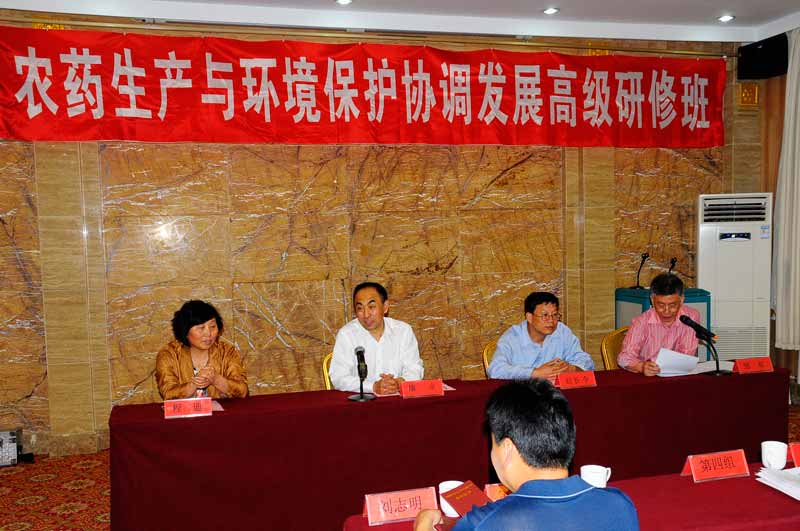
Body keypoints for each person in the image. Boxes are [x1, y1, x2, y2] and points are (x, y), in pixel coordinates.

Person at [414, 379, 639, 531]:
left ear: (507, 449)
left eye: (492, 442)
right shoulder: (620, 504)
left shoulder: (487, 523)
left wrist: (423, 526)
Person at [329, 282, 423, 394]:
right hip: (362, 401)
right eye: (360, 308)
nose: (366, 314)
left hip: (398, 400)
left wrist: (398, 383)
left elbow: (415, 369)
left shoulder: (403, 331)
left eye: (371, 307)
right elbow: (338, 377)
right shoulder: (347, 334)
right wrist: (372, 387)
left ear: (385, 307)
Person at [487, 292, 593, 379]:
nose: (551, 320)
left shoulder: (562, 331)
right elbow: (495, 370)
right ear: (529, 317)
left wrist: (571, 369)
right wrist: (535, 373)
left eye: (555, 315)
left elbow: (586, 361)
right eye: (545, 315)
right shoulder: (512, 337)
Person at [155, 300, 248, 400]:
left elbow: (242, 391)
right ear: (185, 331)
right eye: (201, 328)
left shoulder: (227, 352)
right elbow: (168, 393)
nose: (208, 333)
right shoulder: (169, 355)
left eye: (212, 327)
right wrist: (194, 384)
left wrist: (216, 379)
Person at [617, 273, 701, 376]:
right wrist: (641, 367)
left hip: (678, 374)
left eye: (672, 305)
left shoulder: (690, 317)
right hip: (648, 376)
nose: (666, 310)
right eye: (661, 305)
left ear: (682, 300)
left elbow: (687, 354)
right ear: (652, 300)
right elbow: (624, 358)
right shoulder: (641, 322)